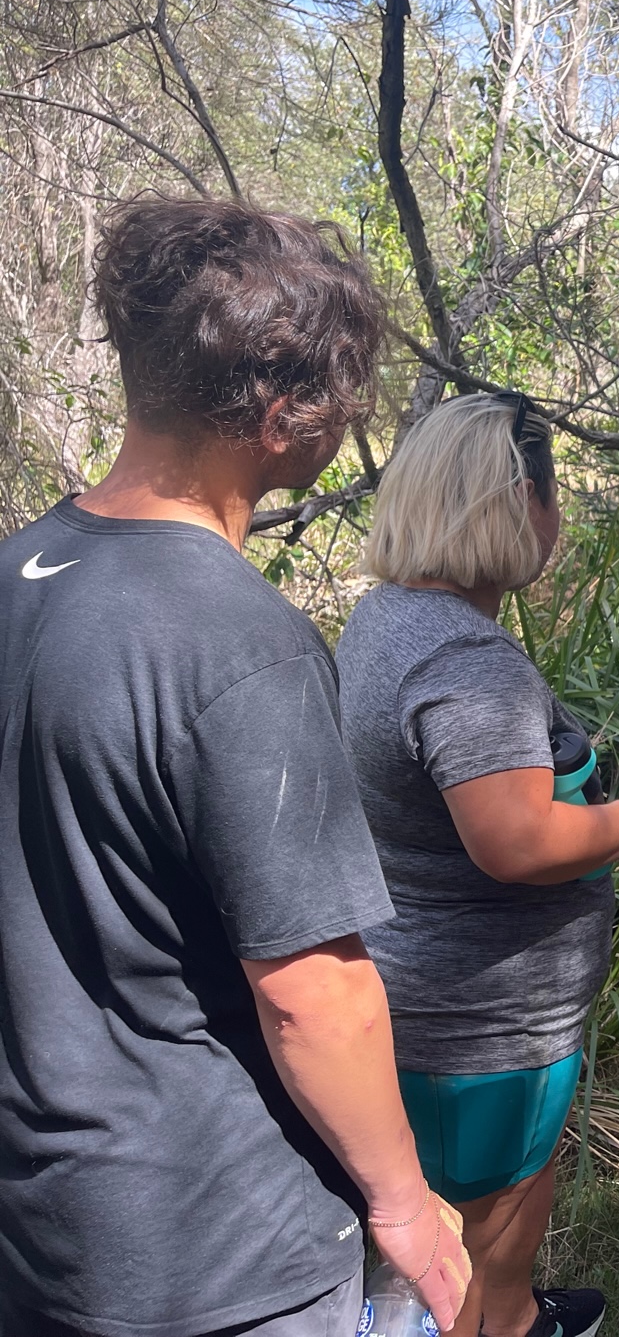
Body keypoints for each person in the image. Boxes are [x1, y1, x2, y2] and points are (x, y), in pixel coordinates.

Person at [0, 199, 470, 1336]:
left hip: (39, 1219)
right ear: (279, 416)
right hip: (210, 1242)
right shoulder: (241, 644)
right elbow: (313, 992)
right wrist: (404, 1204)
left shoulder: (18, 571)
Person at [337, 394, 619, 1337]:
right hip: (482, 1031)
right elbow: (517, 842)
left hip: (421, 994)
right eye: (553, 495)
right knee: (485, 1229)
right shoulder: (464, 658)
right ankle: (503, 1321)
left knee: (469, 1219)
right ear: (523, 500)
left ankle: (515, 1312)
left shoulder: (388, 619)